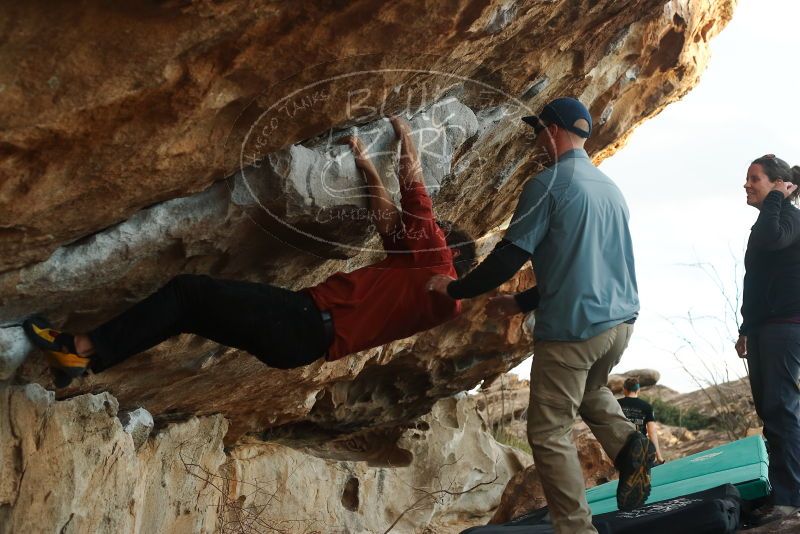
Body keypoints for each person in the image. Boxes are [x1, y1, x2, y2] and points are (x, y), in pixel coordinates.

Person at [24, 117, 477, 387]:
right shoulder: (425, 290)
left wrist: (404, 132)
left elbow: (414, 191)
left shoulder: (436, 262)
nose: (431, 230)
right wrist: (363, 164)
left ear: (446, 248)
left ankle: (80, 350)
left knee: (186, 293)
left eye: (437, 231)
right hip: (298, 344)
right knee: (185, 310)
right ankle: (79, 358)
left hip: (302, 320)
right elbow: (387, 220)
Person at [428, 97, 651, 533]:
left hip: (573, 331)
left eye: (538, 132)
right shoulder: (609, 188)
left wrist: (453, 287)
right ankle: (629, 446)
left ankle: (575, 529)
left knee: (548, 434)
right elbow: (580, 265)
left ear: (553, 130)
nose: (536, 143)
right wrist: (521, 302)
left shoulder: (547, 184)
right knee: (589, 390)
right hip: (619, 327)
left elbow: (509, 255)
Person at [736, 154, 800, 525]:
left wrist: (778, 198)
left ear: (776, 184)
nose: (746, 184)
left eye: (754, 179)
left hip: (786, 327)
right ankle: (783, 493)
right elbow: (756, 284)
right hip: (764, 328)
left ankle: (789, 498)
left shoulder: (787, 217)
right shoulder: (770, 218)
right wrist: (747, 328)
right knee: (770, 412)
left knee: (781, 410)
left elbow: (772, 238)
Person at [618, 377, 665, 465]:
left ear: (624, 389)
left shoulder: (616, 404)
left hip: (620, 448)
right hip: (640, 448)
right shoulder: (646, 406)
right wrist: (659, 456)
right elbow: (652, 432)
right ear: (638, 390)